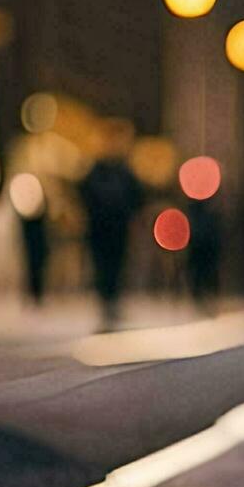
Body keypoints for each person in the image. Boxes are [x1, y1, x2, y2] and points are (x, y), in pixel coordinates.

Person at [78, 119, 143, 330]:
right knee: (102, 265)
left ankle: (113, 301)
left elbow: (136, 197)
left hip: (118, 226)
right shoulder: (96, 169)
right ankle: (105, 301)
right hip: (99, 226)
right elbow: (84, 193)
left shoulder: (125, 171)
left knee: (117, 264)